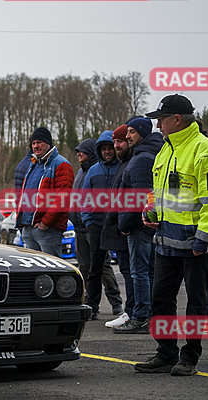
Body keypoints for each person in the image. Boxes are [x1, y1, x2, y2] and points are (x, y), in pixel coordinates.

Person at [134, 94, 208, 377]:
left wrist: (204, 239)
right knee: (161, 298)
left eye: (161, 120)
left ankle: (190, 357)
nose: (158, 125)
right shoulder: (166, 150)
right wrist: (150, 212)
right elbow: (158, 191)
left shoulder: (205, 150)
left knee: (196, 302)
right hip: (166, 240)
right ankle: (165, 353)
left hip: (195, 243)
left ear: (176, 119)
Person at [114, 118, 160, 333]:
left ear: (142, 133)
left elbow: (139, 198)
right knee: (146, 272)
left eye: (131, 132)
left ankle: (141, 317)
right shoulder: (144, 154)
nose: (128, 136)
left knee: (139, 272)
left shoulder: (142, 159)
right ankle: (148, 315)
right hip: (142, 225)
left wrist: (125, 222)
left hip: (138, 227)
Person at [71, 138, 123, 323]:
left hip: (116, 225)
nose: (108, 152)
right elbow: (83, 198)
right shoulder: (90, 171)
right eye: (104, 149)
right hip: (91, 226)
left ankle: (118, 304)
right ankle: (92, 306)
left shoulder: (122, 168)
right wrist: (88, 220)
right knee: (92, 268)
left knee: (112, 267)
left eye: (110, 148)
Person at [14, 126, 74, 257]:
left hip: (47, 230)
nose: (36, 146)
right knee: (33, 272)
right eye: (33, 143)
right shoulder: (33, 164)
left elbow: (62, 198)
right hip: (28, 228)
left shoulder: (61, 164)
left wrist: (45, 223)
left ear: (48, 143)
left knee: (52, 271)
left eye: (39, 142)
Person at [101, 124, 133, 331]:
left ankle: (133, 313)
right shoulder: (125, 163)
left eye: (119, 141)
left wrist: (124, 224)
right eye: (114, 142)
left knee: (133, 273)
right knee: (128, 271)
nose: (115, 146)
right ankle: (132, 311)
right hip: (120, 227)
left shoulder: (132, 163)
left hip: (128, 229)